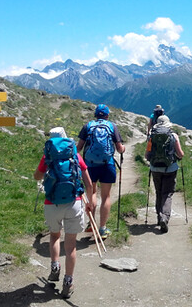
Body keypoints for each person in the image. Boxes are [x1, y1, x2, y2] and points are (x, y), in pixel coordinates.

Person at [34, 127, 93, 299]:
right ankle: (68, 282)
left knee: (54, 236)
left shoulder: (48, 156)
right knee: (71, 245)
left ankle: (54, 268)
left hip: (51, 203)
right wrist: (88, 203)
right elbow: (88, 183)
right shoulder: (75, 154)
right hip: (74, 202)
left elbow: (37, 176)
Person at [77, 103, 125, 239]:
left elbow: (79, 148)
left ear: (95, 114)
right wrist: (124, 149)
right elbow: (120, 149)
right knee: (106, 196)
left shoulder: (88, 126)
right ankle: (102, 228)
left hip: (90, 166)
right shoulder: (112, 126)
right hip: (107, 165)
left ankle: (91, 223)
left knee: (91, 192)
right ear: (108, 115)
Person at [145, 114, 184, 233]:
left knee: (158, 192)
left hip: (155, 169)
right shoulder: (173, 135)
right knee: (167, 194)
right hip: (170, 169)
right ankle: (164, 217)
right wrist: (176, 157)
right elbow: (181, 154)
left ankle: (158, 217)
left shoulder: (152, 136)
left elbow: (147, 155)